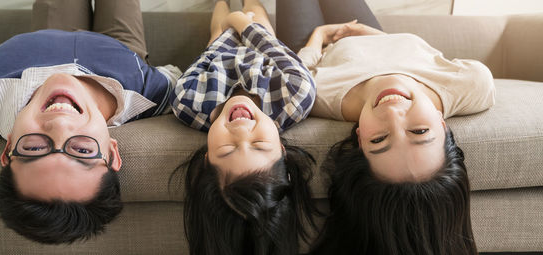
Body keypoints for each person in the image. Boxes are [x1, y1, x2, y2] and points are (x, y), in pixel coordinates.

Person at [0, 0, 181, 244]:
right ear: (112, 151)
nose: (60, 125)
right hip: (120, 48)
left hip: (44, 36)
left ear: (9, 147)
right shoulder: (150, 94)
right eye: (82, 149)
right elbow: (172, 76)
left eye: (34, 148)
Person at [276, 0, 495, 254]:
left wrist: (319, 35)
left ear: (359, 138)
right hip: (371, 36)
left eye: (379, 139)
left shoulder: (318, 97)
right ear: (442, 124)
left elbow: (297, 70)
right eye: (420, 131)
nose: (393, 113)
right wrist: (377, 37)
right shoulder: (471, 85)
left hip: (314, 47)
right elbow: (422, 54)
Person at [169, 0, 319, 254]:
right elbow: (278, 51)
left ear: (206, 159)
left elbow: (206, 58)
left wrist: (228, 27)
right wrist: (244, 24)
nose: (241, 131)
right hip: (263, 45)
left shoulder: (188, 102)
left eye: (227, 149)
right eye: (259, 144)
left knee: (217, 27)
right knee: (258, 18)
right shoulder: (295, 95)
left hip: (219, 50)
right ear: (282, 150)